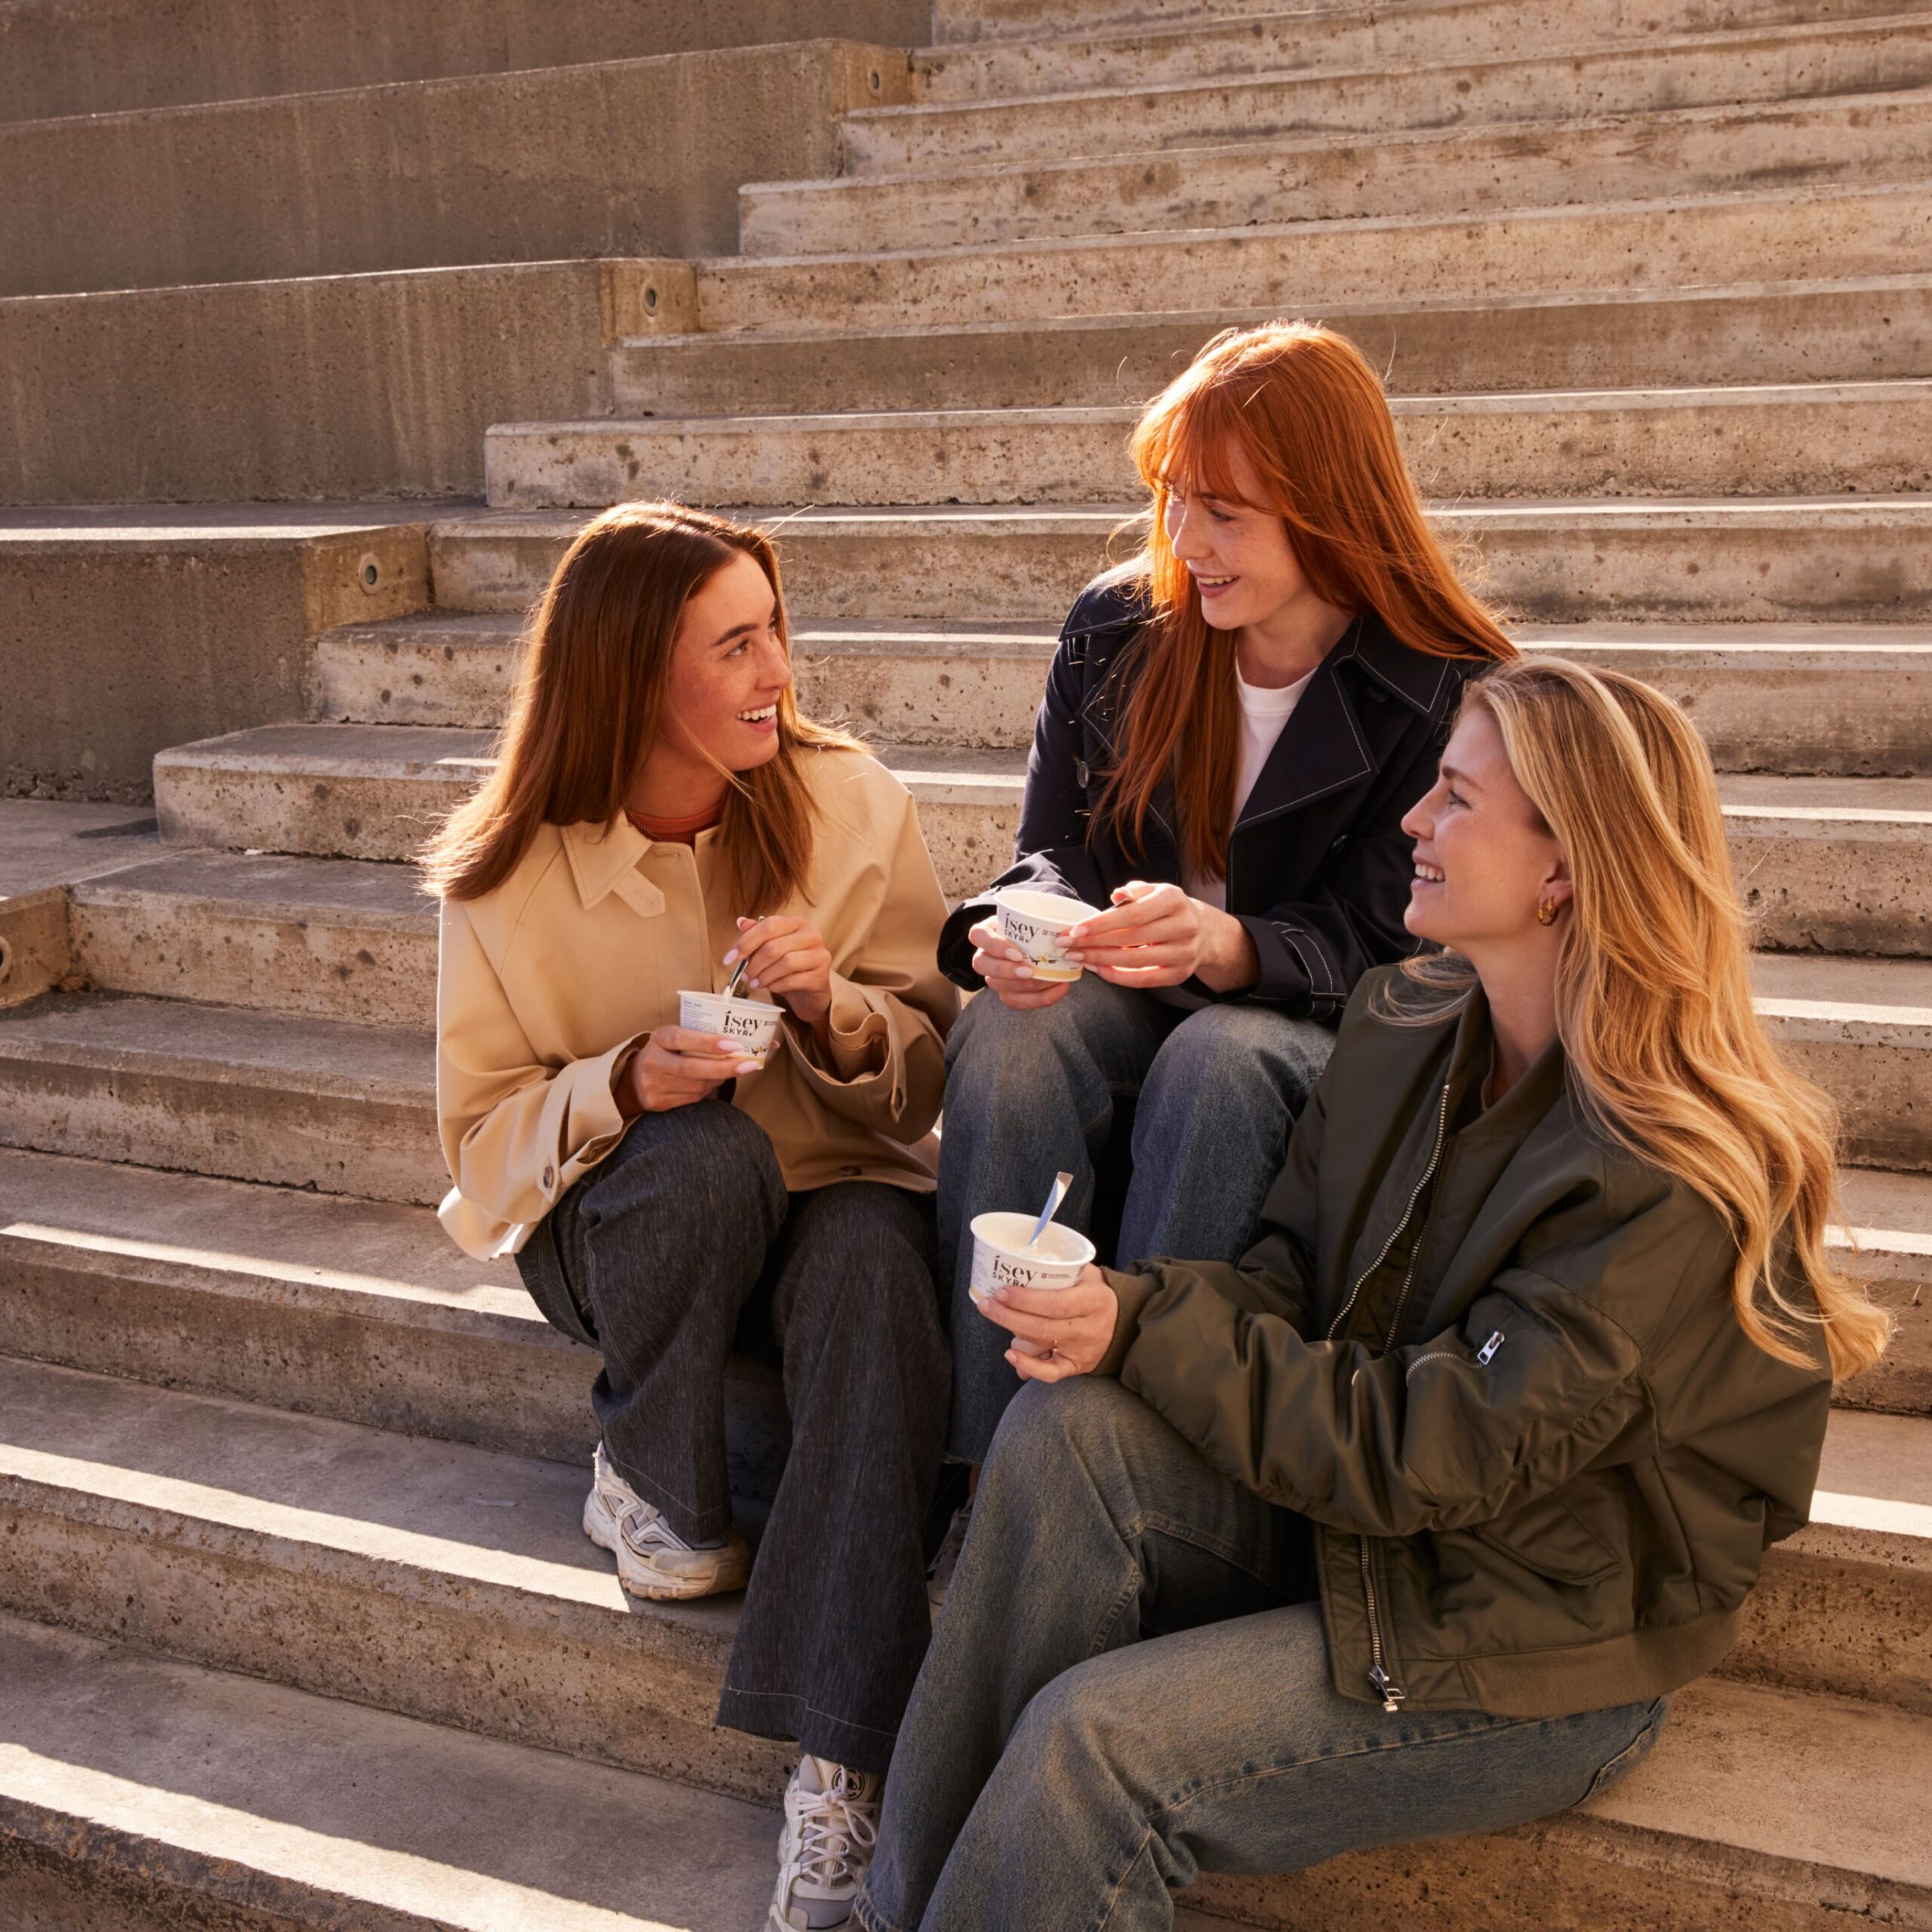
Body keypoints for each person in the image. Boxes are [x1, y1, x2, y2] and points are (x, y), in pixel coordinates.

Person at [857, 657, 1891, 1932]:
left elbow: (1429, 1452)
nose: (1413, 820)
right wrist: (1121, 1311)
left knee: (1093, 1745)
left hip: (1531, 1640)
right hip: (1378, 1537)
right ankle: (892, 1915)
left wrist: (1148, 1327)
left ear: (1563, 869)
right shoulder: (1411, 1023)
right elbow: (1289, 1276)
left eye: (1454, 799)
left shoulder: (1668, 1170)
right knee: (1066, 1434)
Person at [423, 502, 960, 1932]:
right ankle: (651, 1470)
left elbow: (924, 1072)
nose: (780, 665)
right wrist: (623, 1084)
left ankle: (840, 1768)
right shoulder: (507, 874)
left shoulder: (850, 801)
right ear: (630, 676)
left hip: (835, 1195)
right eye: (737, 644)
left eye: (774, 626)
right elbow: (479, 1159)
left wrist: (831, 1006)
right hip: (632, 1226)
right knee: (707, 1157)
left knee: (871, 1278)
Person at [931, 323, 1518, 1511]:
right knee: (1006, 1032)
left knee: (1221, 1052)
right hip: (1128, 995)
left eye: (1228, 514)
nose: (1187, 545)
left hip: (1321, 1036)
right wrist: (1023, 928)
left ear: (1331, 509)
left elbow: (1420, 945)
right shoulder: (1119, 628)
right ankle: (990, 1483)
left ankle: (1149, 1475)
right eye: (1173, 504)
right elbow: (1053, 851)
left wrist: (1239, 946)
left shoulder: (1447, 679)